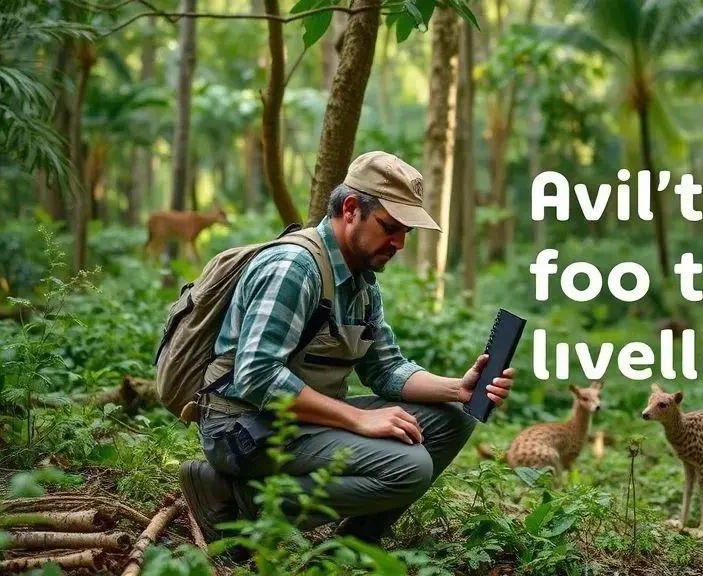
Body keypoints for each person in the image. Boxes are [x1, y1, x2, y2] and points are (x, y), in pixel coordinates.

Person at [179, 151, 514, 545]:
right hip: (243, 427)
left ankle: (352, 545)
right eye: (391, 227)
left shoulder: (361, 281)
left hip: (303, 419)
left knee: (457, 416)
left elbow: (385, 369)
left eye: (407, 232)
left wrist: (457, 388)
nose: (400, 244)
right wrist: (357, 420)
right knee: (409, 466)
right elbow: (257, 375)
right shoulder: (294, 267)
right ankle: (235, 500)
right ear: (351, 209)